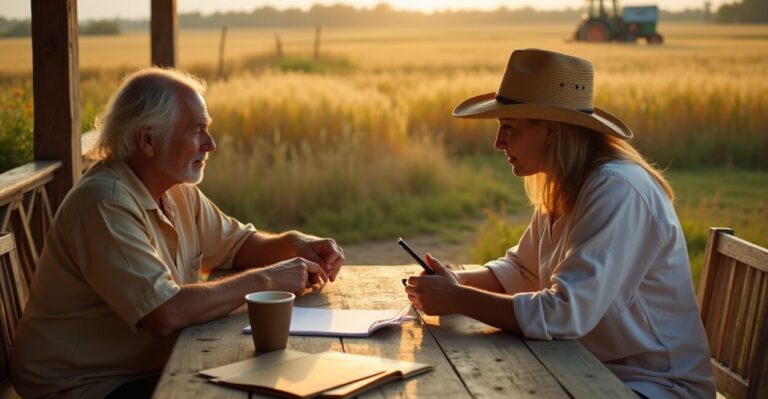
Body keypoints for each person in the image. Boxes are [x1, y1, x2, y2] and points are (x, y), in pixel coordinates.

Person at [10, 68, 345, 398]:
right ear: (147, 140)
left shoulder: (174, 189)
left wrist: (295, 243)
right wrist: (267, 280)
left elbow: (238, 245)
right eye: (196, 130)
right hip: (86, 385)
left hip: (147, 368)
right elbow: (165, 313)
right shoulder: (104, 203)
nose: (210, 144)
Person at [404, 49, 716, 398]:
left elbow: (564, 313)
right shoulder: (568, 184)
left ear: (550, 130)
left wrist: (458, 299)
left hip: (654, 385)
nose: (498, 143)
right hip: (589, 370)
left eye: (509, 128)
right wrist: (455, 281)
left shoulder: (617, 190)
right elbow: (522, 270)